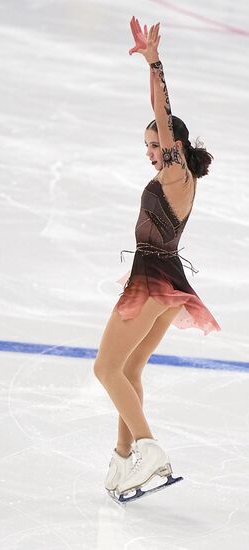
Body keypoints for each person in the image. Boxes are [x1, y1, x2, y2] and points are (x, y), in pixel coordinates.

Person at [93, 17, 221, 500]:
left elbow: (163, 115)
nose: (151, 151)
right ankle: (126, 459)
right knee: (129, 371)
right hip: (170, 282)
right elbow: (159, 116)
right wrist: (151, 71)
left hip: (152, 280)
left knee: (105, 369)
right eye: (147, 145)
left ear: (176, 147)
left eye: (158, 144)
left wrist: (155, 64)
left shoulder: (174, 175)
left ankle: (148, 448)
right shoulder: (183, 181)